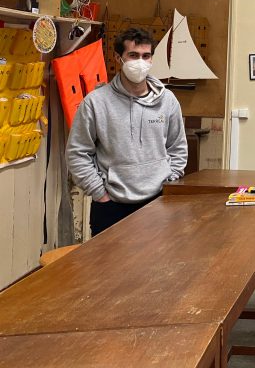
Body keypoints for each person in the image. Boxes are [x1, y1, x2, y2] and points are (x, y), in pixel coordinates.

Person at [66, 28, 188, 236]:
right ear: (118, 58)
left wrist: (169, 183)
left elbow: (178, 148)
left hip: (158, 203)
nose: (140, 62)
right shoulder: (96, 103)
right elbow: (77, 153)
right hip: (111, 206)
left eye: (146, 56)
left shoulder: (167, 101)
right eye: (133, 55)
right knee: (107, 258)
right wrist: (99, 193)